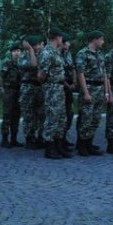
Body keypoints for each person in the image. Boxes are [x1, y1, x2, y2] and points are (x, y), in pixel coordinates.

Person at [38, 28, 71, 159]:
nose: (62, 41)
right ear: (57, 37)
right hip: (51, 88)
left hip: (59, 88)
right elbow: (41, 75)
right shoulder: (47, 52)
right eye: (61, 38)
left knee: (61, 118)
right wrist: (50, 83)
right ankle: (49, 147)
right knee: (52, 117)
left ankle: (58, 145)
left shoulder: (55, 52)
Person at [75, 30, 108, 156]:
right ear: (94, 39)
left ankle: (89, 143)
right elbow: (80, 73)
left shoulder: (100, 54)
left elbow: (104, 73)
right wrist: (85, 92)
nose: (103, 42)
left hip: (99, 89)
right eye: (101, 39)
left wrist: (106, 92)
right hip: (89, 87)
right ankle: (82, 145)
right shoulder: (82, 54)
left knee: (95, 118)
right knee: (86, 118)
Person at [18, 35, 44, 149]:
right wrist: (30, 50)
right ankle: (29, 138)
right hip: (28, 87)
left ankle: (40, 137)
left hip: (40, 87)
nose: (39, 46)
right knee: (28, 114)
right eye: (36, 45)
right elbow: (33, 65)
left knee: (41, 114)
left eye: (39, 44)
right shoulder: (23, 56)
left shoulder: (43, 56)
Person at [0, 42, 23, 148]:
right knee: (7, 115)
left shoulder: (22, 63)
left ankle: (14, 139)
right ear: (11, 53)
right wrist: (1, 88)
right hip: (9, 91)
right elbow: (1, 77)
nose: (17, 53)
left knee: (16, 115)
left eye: (18, 51)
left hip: (19, 92)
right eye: (15, 51)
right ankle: (5, 139)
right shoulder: (7, 63)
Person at [61, 33, 77, 147]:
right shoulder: (56, 54)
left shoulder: (68, 54)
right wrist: (67, 85)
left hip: (69, 88)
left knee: (69, 113)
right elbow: (58, 73)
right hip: (61, 87)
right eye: (67, 42)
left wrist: (75, 83)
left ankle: (64, 135)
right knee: (60, 114)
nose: (69, 44)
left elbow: (72, 68)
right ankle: (58, 139)